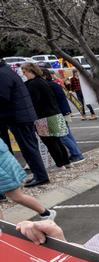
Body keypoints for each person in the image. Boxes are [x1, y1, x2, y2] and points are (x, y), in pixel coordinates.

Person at [0, 58, 50, 187]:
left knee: (29, 148)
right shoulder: (6, 71)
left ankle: (41, 176)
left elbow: (3, 97)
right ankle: (39, 175)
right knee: (28, 147)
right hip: (20, 116)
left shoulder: (2, 74)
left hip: (18, 117)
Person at [22, 63, 71, 169]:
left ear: (30, 71)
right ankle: (66, 162)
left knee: (50, 142)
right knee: (56, 140)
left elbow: (33, 101)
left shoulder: (32, 85)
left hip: (43, 117)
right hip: (53, 114)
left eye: (24, 71)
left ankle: (60, 164)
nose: (23, 74)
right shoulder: (43, 81)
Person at [0, 138, 56, 219]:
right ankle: (1, 227)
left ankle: (46, 214)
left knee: (17, 196)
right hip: (5, 168)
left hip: (5, 171)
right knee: (17, 197)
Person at [42, 70, 85, 163]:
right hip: (64, 111)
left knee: (63, 136)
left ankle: (77, 154)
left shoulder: (49, 86)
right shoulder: (54, 84)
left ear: (45, 76)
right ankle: (76, 153)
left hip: (59, 113)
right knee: (67, 134)